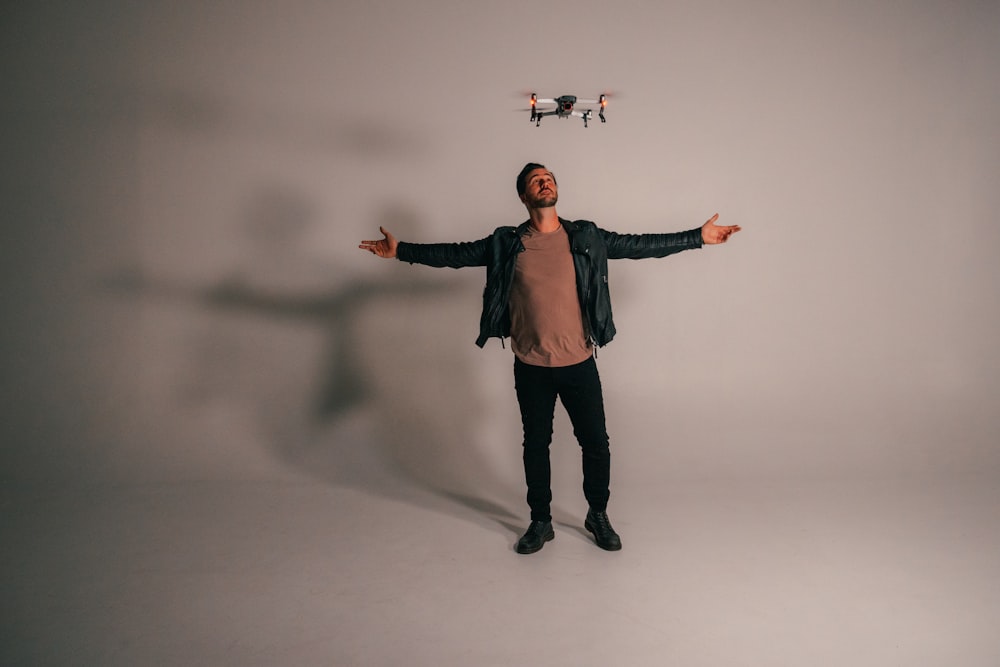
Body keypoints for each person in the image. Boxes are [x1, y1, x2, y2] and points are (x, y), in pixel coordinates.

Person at [359, 163, 740, 554]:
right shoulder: (506, 243)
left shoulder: (586, 236)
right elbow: (455, 255)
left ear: (555, 189)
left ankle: (597, 514)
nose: (544, 181)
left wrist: (697, 237)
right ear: (524, 197)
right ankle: (540, 521)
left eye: (549, 178)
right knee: (535, 445)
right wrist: (400, 251)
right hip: (531, 366)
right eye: (535, 180)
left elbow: (639, 245)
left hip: (579, 362)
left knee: (596, 443)